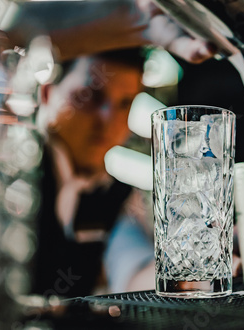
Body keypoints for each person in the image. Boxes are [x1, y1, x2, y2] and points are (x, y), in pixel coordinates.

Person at [33, 47, 154, 298]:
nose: (108, 118)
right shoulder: (9, 172)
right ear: (47, 93)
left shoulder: (114, 193)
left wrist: (196, 271)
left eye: (124, 103)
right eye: (90, 96)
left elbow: (132, 272)